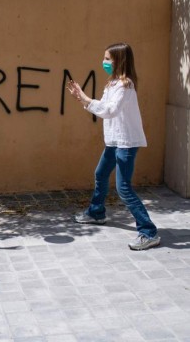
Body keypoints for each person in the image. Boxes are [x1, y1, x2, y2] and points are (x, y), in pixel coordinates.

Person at [67, 43, 160, 251]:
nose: (104, 62)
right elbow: (103, 106)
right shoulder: (112, 84)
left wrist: (83, 97)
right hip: (114, 141)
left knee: (123, 188)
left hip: (126, 143)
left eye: (108, 59)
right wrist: (83, 97)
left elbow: (109, 110)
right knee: (100, 174)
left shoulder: (125, 86)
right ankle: (97, 212)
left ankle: (149, 231)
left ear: (119, 61)